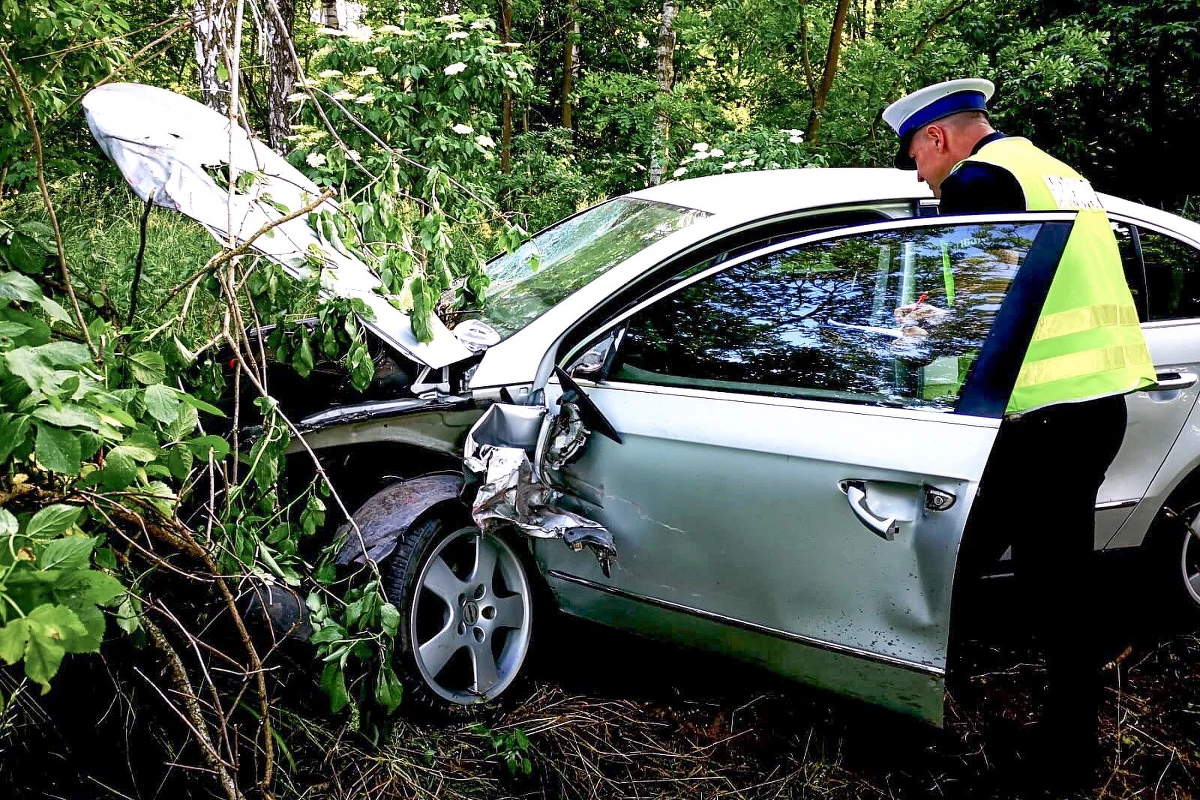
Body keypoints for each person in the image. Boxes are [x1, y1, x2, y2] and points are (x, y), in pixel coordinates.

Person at [881, 78, 1158, 785]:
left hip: (1037, 416)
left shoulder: (979, 179)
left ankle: (917, 722)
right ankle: (1064, 743)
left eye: (916, 155)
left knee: (948, 565)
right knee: (1049, 579)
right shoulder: (1053, 171)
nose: (919, 172)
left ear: (938, 138)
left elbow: (988, 298)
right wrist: (946, 301)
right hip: (1092, 405)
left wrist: (921, 326)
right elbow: (1026, 274)